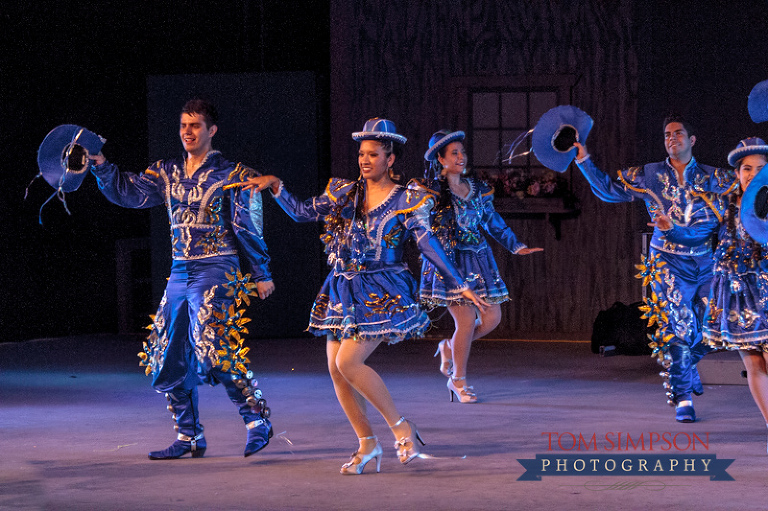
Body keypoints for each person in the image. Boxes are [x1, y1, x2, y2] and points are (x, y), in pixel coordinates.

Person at [243, 118, 488, 475]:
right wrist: (276, 186)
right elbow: (302, 213)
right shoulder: (344, 192)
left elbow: (427, 243)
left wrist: (458, 281)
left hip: (381, 287)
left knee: (348, 362)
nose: (365, 159)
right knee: (336, 370)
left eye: (373, 153)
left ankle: (402, 427)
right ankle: (367, 445)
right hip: (342, 285)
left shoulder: (407, 198)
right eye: (361, 153)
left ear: (391, 159)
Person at [89, 98, 276, 459]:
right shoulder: (166, 171)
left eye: (195, 126)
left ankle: (257, 422)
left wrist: (261, 272)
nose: (187, 132)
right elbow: (128, 192)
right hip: (180, 269)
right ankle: (189, 436)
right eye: (183, 126)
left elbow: (247, 224)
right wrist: (100, 165)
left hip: (217, 267)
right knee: (167, 348)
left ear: (211, 130)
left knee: (213, 345)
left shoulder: (233, 173)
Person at [573, 113, 737, 422]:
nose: (671, 138)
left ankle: (685, 369)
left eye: (678, 133)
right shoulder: (649, 175)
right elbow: (609, 190)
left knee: (718, 327)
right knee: (678, 327)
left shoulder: (714, 177)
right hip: (667, 262)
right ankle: (683, 397)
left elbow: (747, 188)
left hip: (705, 261)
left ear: (692, 140)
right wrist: (584, 161)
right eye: (666, 134)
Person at [653, 138, 768, 448]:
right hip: (738, 292)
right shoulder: (724, 203)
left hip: (766, 288)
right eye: (746, 168)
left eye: (759, 168)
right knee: (754, 363)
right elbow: (696, 236)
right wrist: (670, 230)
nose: (751, 174)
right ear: (738, 171)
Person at [415, 130, 543, 403]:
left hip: (479, 259)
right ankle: (458, 380)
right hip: (451, 262)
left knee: (492, 318)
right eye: (454, 153)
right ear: (440, 159)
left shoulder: (477, 189)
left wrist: (516, 245)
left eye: (462, 152)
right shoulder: (431, 192)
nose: (461, 157)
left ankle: (449, 348)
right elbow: (420, 227)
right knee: (465, 320)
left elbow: (492, 221)